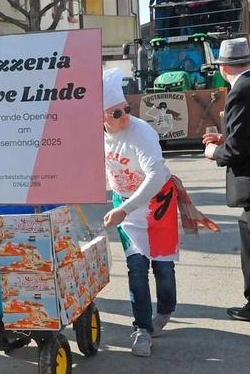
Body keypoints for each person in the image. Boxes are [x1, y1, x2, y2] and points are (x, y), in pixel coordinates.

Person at [102, 68, 178, 357]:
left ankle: (166, 309)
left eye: (127, 109)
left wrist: (125, 209)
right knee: (136, 268)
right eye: (117, 113)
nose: (125, 115)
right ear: (102, 117)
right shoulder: (98, 136)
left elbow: (156, 176)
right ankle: (142, 329)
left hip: (157, 206)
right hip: (126, 206)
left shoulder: (141, 132)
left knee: (163, 267)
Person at [203, 37, 250, 322]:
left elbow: (237, 149)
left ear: (223, 67)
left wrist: (214, 151)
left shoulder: (240, 90)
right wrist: (227, 138)